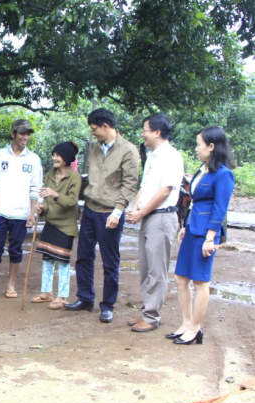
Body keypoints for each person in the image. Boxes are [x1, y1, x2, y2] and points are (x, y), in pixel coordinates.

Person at [66, 108, 139, 323]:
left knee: (110, 261)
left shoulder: (128, 150)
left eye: (94, 129)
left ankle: (107, 305)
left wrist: (118, 212)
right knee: (83, 257)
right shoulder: (95, 148)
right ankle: (85, 298)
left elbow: (129, 185)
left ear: (105, 126)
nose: (93, 133)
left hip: (110, 213)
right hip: (90, 210)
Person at [168, 127, 235, 345]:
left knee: (200, 281)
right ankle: (186, 323)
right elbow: (194, 201)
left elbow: (220, 208)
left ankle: (196, 328)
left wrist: (210, 238)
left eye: (199, 144)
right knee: (180, 278)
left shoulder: (224, 174)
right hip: (193, 228)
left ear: (212, 146)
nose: (196, 148)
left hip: (206, 233)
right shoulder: (203, 169)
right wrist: (185, 225)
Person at [126, 113, 184, 332]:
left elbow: (164, 191)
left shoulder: (171, 156)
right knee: (146, 267)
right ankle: (146, 310)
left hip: (161, 216)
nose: (143, 135)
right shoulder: (152, 156)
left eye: (145, 131)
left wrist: (141, 213)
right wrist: (135, 207)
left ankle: (151, 316)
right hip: (148, 216)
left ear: (157, 132)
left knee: (157, 269)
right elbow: (145, 185)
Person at [0, 119, 42, 300]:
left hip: (21, 214)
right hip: (0, 211)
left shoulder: (34, 159)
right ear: (13, 134)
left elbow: (36, 188)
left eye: (28, 134)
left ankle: (11, 286)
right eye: (22, 133)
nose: (25, 137)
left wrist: (32, 212)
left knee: (16, 250)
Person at [31, 142, 81, 310]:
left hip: (66, 226)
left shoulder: (75, 177)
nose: (54, 158)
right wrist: (42, 207)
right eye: (54, 154)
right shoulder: (50, 174)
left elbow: (72, 201)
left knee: (63, 262)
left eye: (58, 155)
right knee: (47, 258)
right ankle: (46, 292)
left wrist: (56, 194)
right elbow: (46, 200)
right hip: (51, 223)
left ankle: (62, 296)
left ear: (67, 158)